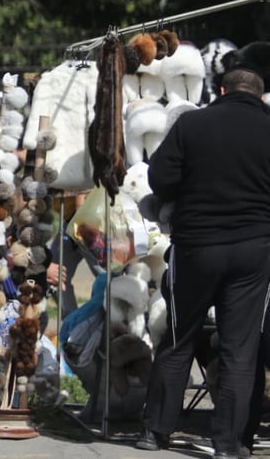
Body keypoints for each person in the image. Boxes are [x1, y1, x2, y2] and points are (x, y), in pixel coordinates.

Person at [136, 67, 270, 458]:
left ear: (222, 89)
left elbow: (160, 179)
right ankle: (228, 443)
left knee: (179, 336)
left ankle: (155, 432)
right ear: (260, 97)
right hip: (254, 250)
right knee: (239, 348)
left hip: (196, 245)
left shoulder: (192, 124)